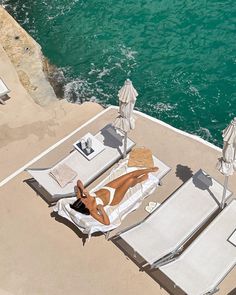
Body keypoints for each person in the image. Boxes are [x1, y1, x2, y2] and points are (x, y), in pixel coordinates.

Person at [70, 167, 158, 225]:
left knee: (129, 175)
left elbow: (78, 183)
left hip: (107, 187)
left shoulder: (81, 198)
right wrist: (102, 210)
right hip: (113, 198)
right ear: (84, 208)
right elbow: (107, 222)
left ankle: (148, 170)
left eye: (82, 200)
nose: (84, 200)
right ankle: (139, 180)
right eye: (84, 202)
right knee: (130, 181)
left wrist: (82, 188)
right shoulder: (92, 211)